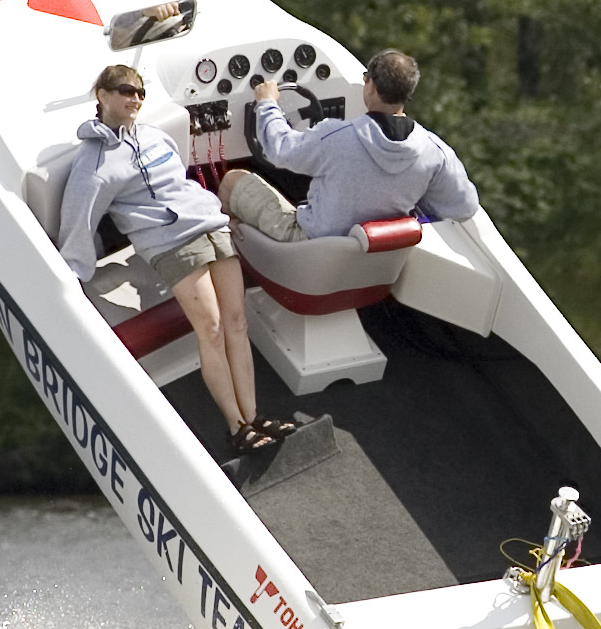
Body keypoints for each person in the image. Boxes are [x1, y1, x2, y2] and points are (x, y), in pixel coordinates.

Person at [58, 62, 289, 456]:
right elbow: (78, 224)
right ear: (102, 95)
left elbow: (181, 181)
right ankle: (236, 427)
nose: (135, 98)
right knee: (212, 328)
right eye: (125, 91)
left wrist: (218, 212)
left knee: (236, 320)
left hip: (210, 224)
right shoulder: (93, 167)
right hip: (171, 242)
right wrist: (68, 283)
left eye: (140, 92)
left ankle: (253, 416)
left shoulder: (153, 136)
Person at [218, 48, 477, 241]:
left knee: (232, 179)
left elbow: (280, 150)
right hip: (374, 260)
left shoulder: (335, 136)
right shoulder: (434, 151)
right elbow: (463, 206)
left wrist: (266, 104)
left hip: (310, 247)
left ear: (372, 87)